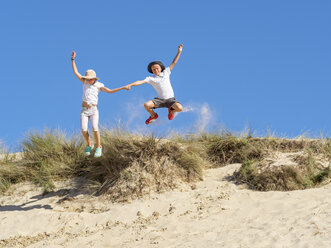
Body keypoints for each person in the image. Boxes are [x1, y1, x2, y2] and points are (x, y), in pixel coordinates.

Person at [71, 51, 129, 157]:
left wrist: (123, 87)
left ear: (94, 78)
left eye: (91, 79)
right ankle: (90, 144)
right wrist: (72, 60)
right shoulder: (84, 82)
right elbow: (76, 72)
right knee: (84, 129)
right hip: (84, 110)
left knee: (94, 128)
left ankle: (98, 147)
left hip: (93, 110)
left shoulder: (99, 85)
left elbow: (110, 91)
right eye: (87, 79)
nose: (89, 80)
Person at [126, 44, 184, 124]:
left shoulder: (166, 72)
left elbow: (174, 62)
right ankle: (153, 115)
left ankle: (171, 111)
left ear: (161, 68)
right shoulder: (151, 78)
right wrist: (130, 85)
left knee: (180, 108)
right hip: (159, 100)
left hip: (170, 99)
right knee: (146, 105)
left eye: (157, 68)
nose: (155, 70)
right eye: (153, 69)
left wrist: (179, 52)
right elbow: (140, 81)